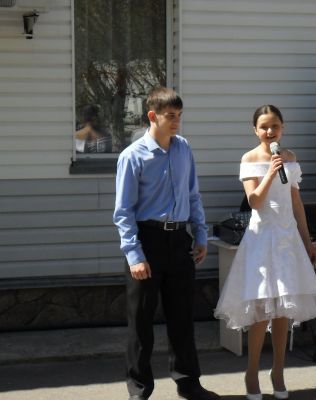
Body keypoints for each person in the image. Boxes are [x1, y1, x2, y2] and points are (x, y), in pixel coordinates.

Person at [113, 87, 220, 400]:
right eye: (170, 116)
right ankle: (139, 389)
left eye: (179, 116)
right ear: (152, 116)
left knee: (182, 317)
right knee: (141, 321)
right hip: (147, 241)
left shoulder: (183, 148)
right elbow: (123, 212)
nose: (176, 122)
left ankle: (189, 383)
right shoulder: (132, 156)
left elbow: (193, 194)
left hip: (179, 240)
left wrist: (200, 234)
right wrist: (134, 255)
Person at [214, 105, 316, 400]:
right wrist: (270, 172)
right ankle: (251, 372)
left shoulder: (290, 157)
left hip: (288, 239)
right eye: (264, 126)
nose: (269, 131)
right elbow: (254, 201)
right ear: (255, 130)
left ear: (282, 127)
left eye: (275, 125)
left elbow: (297, 204)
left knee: (283, 312)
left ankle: (278, 372)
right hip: (262, 240)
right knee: (262, 311)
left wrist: (308, 241)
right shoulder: (250, 159)